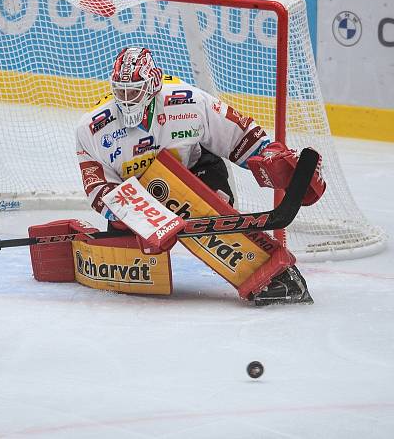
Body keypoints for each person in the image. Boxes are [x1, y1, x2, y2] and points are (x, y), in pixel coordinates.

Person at [75, 47, 324, 306]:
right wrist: (144, 218)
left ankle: (276, 276)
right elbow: (98, 188)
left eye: (135, 90)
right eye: (120, 91)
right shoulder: (92, 128)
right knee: (134, 272)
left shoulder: (187, 102)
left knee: (215, 214)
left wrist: (270, 156)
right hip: (137, 192)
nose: (127, 99)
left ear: (153, 85)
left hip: (195, 172)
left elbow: (237, 134)